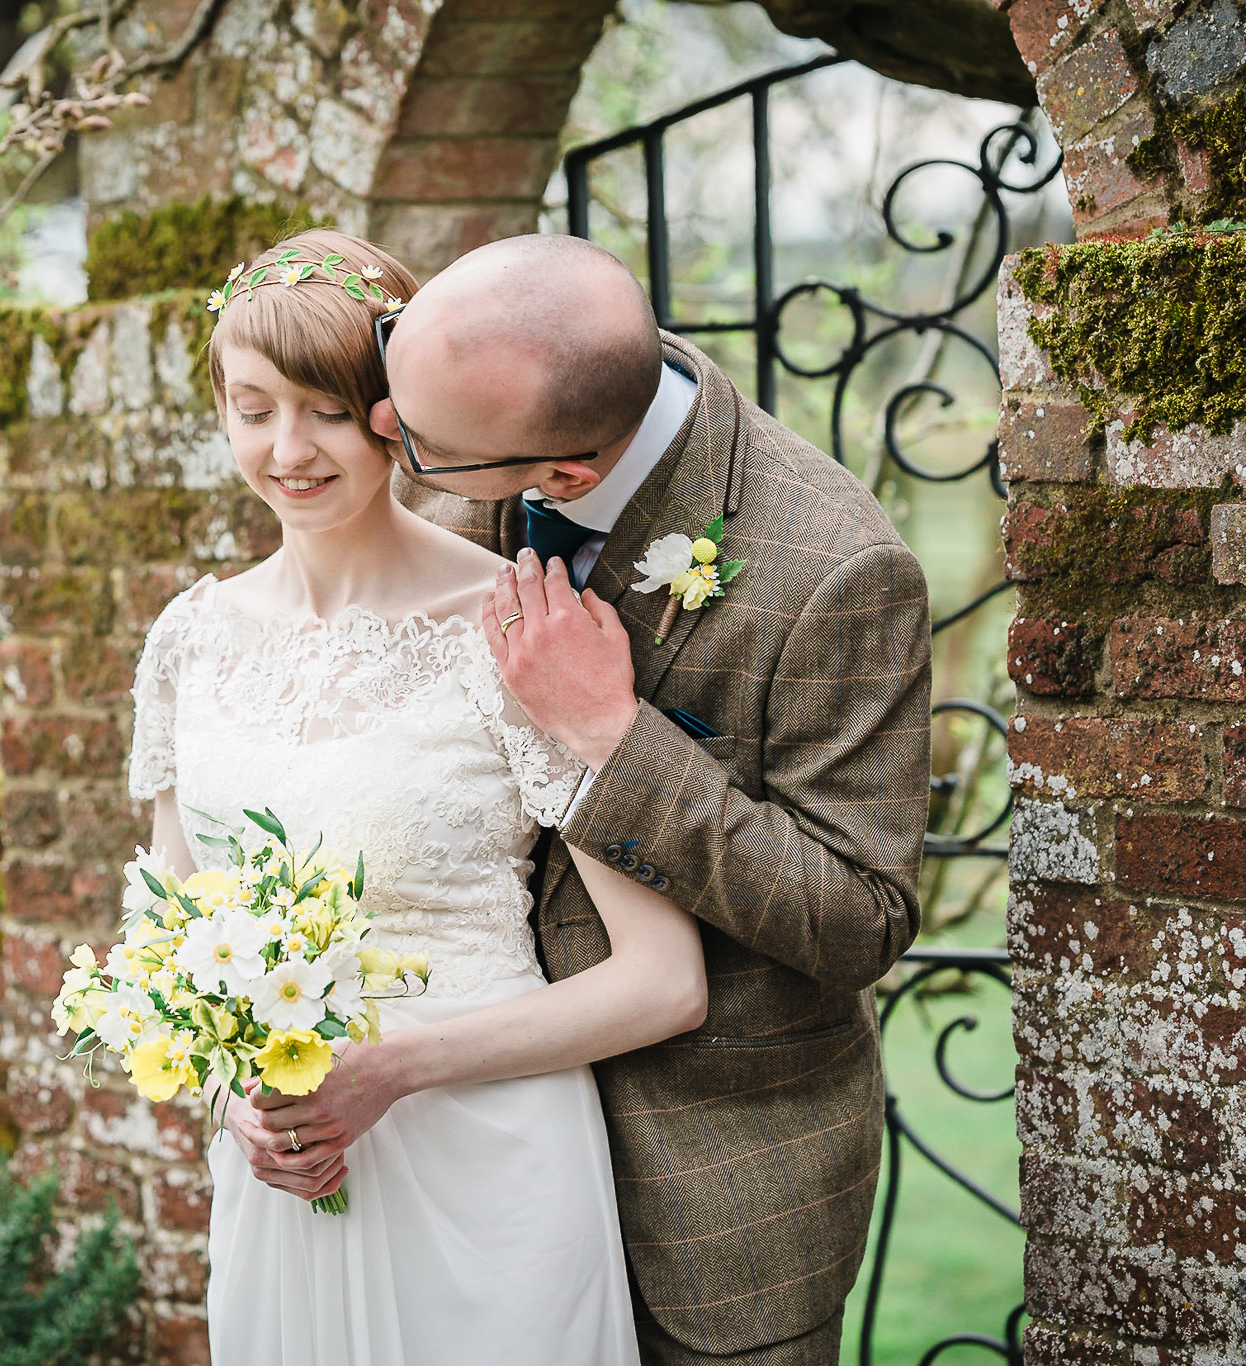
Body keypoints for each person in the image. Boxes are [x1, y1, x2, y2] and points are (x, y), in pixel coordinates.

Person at [310, 232, 928, 1366]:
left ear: (565, 476)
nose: (385, 431)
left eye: (427, 446)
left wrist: (613, 735)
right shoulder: (468, 450)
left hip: (706, 1195)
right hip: (473, 1156)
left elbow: (858, 920)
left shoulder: (834, 568)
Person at [129, 228, 711, 1366]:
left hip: (485, 1174)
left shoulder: (513, 626)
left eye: (327, 411)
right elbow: (167, 935)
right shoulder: (187, 641)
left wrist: (391, 1068)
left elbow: (662, 980)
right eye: (251, 408)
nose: (285, 449)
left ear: (392, 415)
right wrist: (234, 1097)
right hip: (287, 1180)